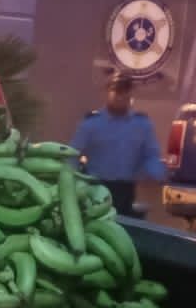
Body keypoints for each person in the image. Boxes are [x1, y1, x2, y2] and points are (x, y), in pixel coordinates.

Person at [70, 73, 167, 216]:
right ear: (108, 92)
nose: (121, 97)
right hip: (97, 188)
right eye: (116, 91)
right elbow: (73, 154)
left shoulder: (141, 124)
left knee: (124, 226)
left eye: (125, 91)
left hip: (125, 190)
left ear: (131, 94)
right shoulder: (92, 124)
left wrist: (156, 173)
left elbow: (151, 154)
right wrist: (70, 181)